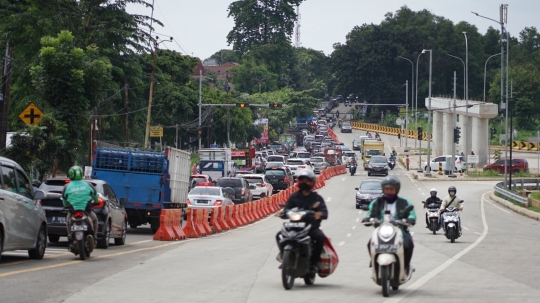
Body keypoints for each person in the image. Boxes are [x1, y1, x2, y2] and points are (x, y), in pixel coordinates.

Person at [362, 176, 416, 274]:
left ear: (397, 190)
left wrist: (410, 219)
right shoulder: (377, 202)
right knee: (370, 244)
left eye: (391, 189)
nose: (389, 191)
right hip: (381, 230)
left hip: (400, 229)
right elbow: (370, 213)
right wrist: (367, 218)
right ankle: (374, 260)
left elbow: (411, 213)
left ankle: (405, 266)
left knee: (409, 244)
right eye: (386, 189)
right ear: (383, 190)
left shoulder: (404, 202)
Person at [277, 169, 328, 273]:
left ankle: (313, 264)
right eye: (302, 180)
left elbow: (324, 212)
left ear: (312, 182)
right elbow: (287, 209)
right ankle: (285, 257)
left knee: (320, 237)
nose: (304, 183)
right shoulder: (293, 197)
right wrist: (282, 213)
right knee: (278, 235)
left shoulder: (317, 198)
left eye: (307, 181)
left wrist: (319, 214)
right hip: (294, 226)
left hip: (311, 227)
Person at [62, 166, 99, 250]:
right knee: (95, 219)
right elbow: (95, 196)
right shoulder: (88, 185)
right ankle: (95, 236)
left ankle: (70, 235)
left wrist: (66, 206)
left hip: (73, 212)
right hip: (87, 211)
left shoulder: (66, 187)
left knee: (68, 221)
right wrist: (96, 202)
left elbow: (64, 200)